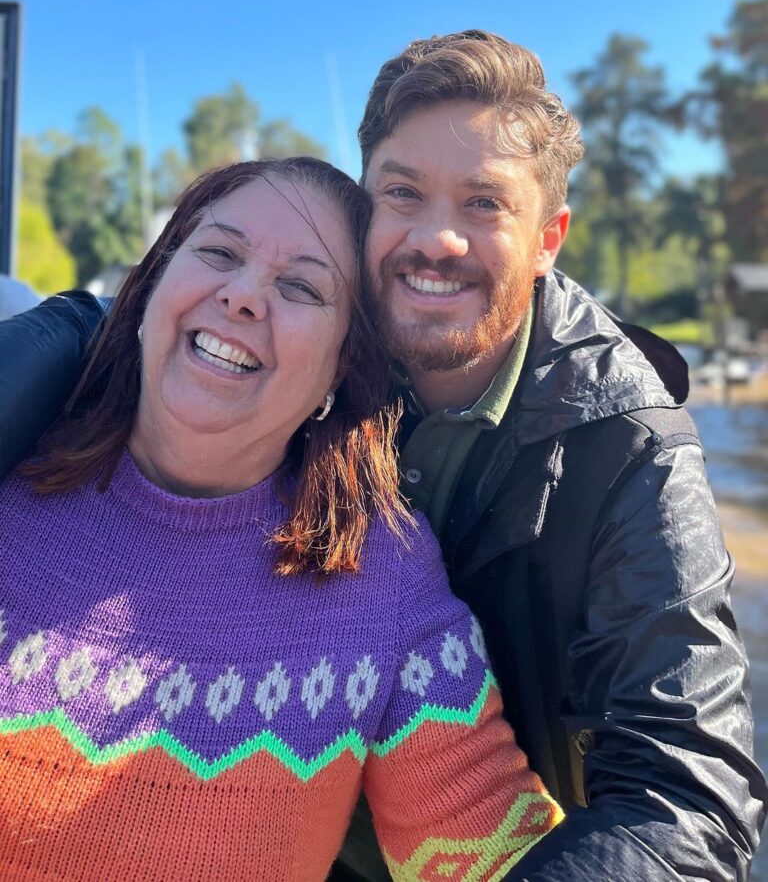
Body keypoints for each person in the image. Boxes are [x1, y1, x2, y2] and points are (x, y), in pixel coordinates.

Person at [1, 33, 766, 880]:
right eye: (403, 191)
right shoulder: (32, 429)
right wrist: (51, 339)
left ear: (549, 237)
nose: (436, 237)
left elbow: (686, 797)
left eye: (484, 203)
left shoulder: (630, 455)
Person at [0, 156, 561, 882]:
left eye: (300, 286)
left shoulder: (381, 572)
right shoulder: (12, 460)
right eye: (218, 253)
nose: (241, 297)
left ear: (339, 369)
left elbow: (492, 847)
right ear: (149, 289)